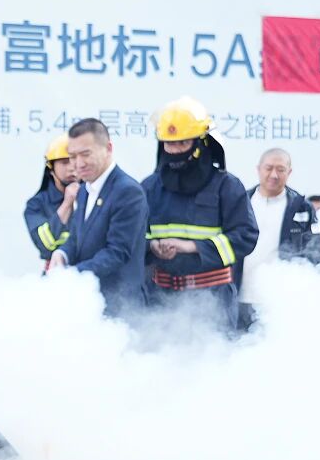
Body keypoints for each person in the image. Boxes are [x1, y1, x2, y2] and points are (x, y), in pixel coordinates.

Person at [141, 96, 258, 331]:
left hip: (213, 299)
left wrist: (192, 246)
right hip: (160, 298)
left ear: (201, 143)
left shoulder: (227, 186)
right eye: (169, 144)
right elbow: (132, 237)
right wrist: (151, 246)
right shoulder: (149, 187)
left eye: (182, 143)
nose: (174, 151)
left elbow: (245, 236)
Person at [49, 119, 149, 317]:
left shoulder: (128, 191)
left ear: (108, 148)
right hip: (89, 304)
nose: (78, 163)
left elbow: (117, 252)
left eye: (86, 154)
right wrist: (62, 254)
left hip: (121, 309)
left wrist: (70, 275)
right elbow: (77, 237)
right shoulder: (84, 190)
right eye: (72, 156)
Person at [236, 148, 320, 329]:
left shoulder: (301, 207)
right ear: (258, 169)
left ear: (289, 172)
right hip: (239, 297)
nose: (274, 175)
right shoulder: (240, 202)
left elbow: (315, 251)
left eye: (280, 169)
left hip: (279, 301)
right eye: (268, 168)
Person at [23, 133, 79, 269]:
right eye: (64, 162)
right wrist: (67, 203)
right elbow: (46, 245)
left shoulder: (96, 197)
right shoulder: (36, 204)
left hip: (91, 274)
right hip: (56, 274)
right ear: (51, 168)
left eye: (75, 161)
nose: (71, 168)